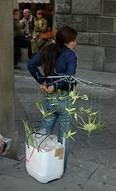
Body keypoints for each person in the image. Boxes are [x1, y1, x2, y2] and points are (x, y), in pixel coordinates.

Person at [27, 26, 78, 171]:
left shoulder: (48, 49)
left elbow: (30, 64)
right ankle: (60, 167)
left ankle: (39, 163)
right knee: (65, 135)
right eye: (74, 40)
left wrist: (42, 81)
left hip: (49, 97)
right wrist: (55, 86)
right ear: (68, 42)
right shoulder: (71, 55)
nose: (76, 43)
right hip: (64, 98)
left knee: (44, 129)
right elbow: (69, 77)